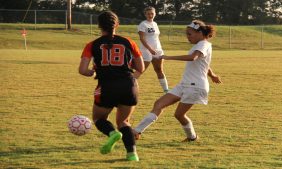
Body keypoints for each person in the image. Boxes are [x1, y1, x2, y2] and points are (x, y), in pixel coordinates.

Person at [133, 20, 222, 142]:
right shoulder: (199, 45)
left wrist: (168, 57)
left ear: (200, 33)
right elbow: (204, 64)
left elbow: (193, 58)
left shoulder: (203, 44)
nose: (188, 37)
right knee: (159, 104)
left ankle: (192, 137)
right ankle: (137, 131)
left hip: (195, 87)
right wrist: (212, 75)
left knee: (179, 115)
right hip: (185, 84)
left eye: (190, 34)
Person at [79, 11, 144, 161]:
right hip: (129, 85)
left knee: (98, 118)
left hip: (106, 86)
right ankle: (132, 155)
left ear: (99, 26)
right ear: (117, 25)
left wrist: (92, 72)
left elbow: (83, 70)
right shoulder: (129, 42)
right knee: (123, 122)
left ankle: (112, 133)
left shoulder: (92, 44)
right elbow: (140, 67)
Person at [134, 6, 169, 93]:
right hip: (146, 51)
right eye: (148, 13)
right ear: (145, 14)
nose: (150, 15)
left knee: (159, 70)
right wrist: (150, 49)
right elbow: (142, 39)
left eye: (152, 13)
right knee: (140, 70)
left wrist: (158, 49)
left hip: (157, 50)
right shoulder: (143, 24)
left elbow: (155, 38)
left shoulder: (155, 24)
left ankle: (166, 90)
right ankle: (127, 87)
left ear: (155, 14)